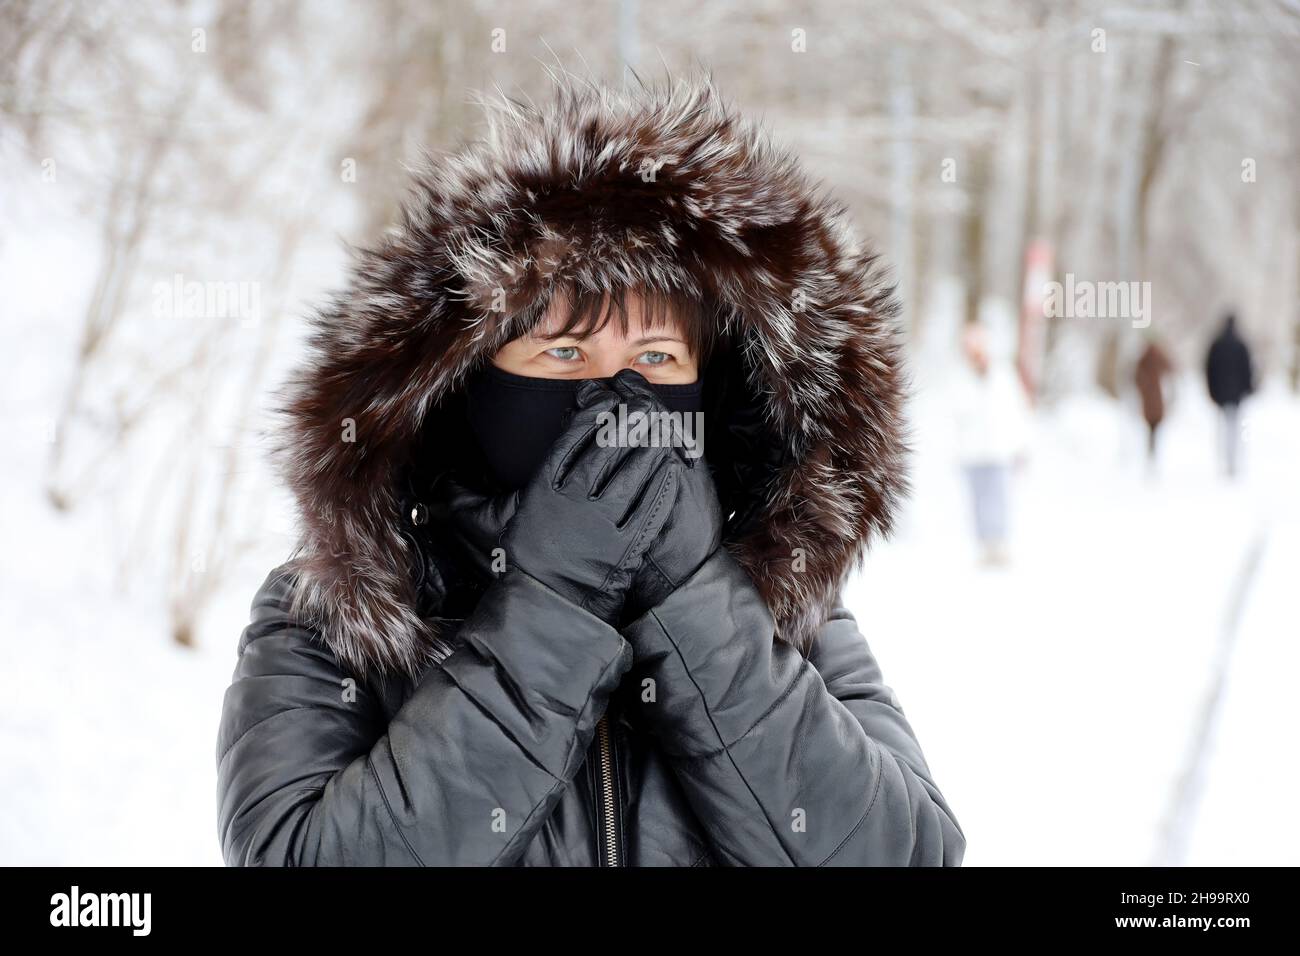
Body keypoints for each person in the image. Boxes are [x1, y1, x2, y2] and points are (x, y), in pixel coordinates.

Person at [214, 76, 965, 867]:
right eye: (564, 352)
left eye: (656, 357)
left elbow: (905, 854)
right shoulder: (343, 614)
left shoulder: (791, 612)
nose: (617, 400)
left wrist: (699, 606)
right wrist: (549, 611)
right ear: (467, 382)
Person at [952, 320, 1031, 566]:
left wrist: (1021, 445)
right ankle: (984, 545)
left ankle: (999, 544)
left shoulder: (1003, 375)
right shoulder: (959, 377)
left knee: (998, 499)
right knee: (977, 501)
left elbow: (1018, 411)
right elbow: (953, 414)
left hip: (998, 450)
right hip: (972, 451)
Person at [1205, 313, 1255, 477]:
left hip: (1221, 395)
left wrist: (1212, 391)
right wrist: (1247, 389)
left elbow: (1209, 370)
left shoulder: (1216, 344)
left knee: (1223, 428)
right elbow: (1247, 370)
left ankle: (1224, 460)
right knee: (1235, 428)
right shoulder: (1241, 345)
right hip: (1236, 395)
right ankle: (1232, 460)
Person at [1134, 336, 1175, 466]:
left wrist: (1143, 388)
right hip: (1156, 399)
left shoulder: (1143, 358)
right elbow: (1171, 368)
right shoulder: (1157, 356)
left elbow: (1135, 377)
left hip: (1148, 399)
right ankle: (1152, 452)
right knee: (1154, 427)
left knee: (1150, 427)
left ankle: (1151, 451)